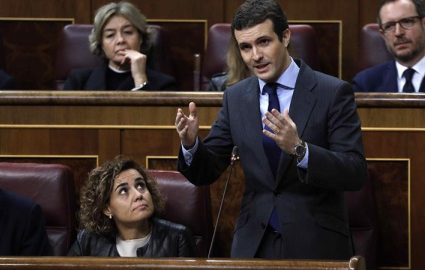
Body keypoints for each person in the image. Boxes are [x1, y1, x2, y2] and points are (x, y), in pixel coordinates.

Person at [175, 0, 367, 260]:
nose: (255, 56)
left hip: (316, 242)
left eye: (264, 42)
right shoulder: (236, 97)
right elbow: (206, 171)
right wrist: (190, 145)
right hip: (254, 243)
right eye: (246, 47)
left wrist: (300, 150)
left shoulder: (332, 92)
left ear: (285, 37)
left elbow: (354, 172)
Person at [68, 156, 198, 257]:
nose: (138, 195)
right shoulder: (88, 240)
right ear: (107, 208)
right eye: (124, 191)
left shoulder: (177, 238)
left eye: (140, 185)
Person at [63, 1, 177, 91]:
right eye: (110, 35)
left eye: (128, 32)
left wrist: (140, 77)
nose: (120, 40)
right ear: (101, 43)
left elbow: (150, 119)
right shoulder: (78, 81)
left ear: (141, 38)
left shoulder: (164, 84)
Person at [353, 0, 425, 92]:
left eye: (406, 22)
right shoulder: (365, 83)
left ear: (424, 24)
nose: (398, 32)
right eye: (389, 26)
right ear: (383, 35)